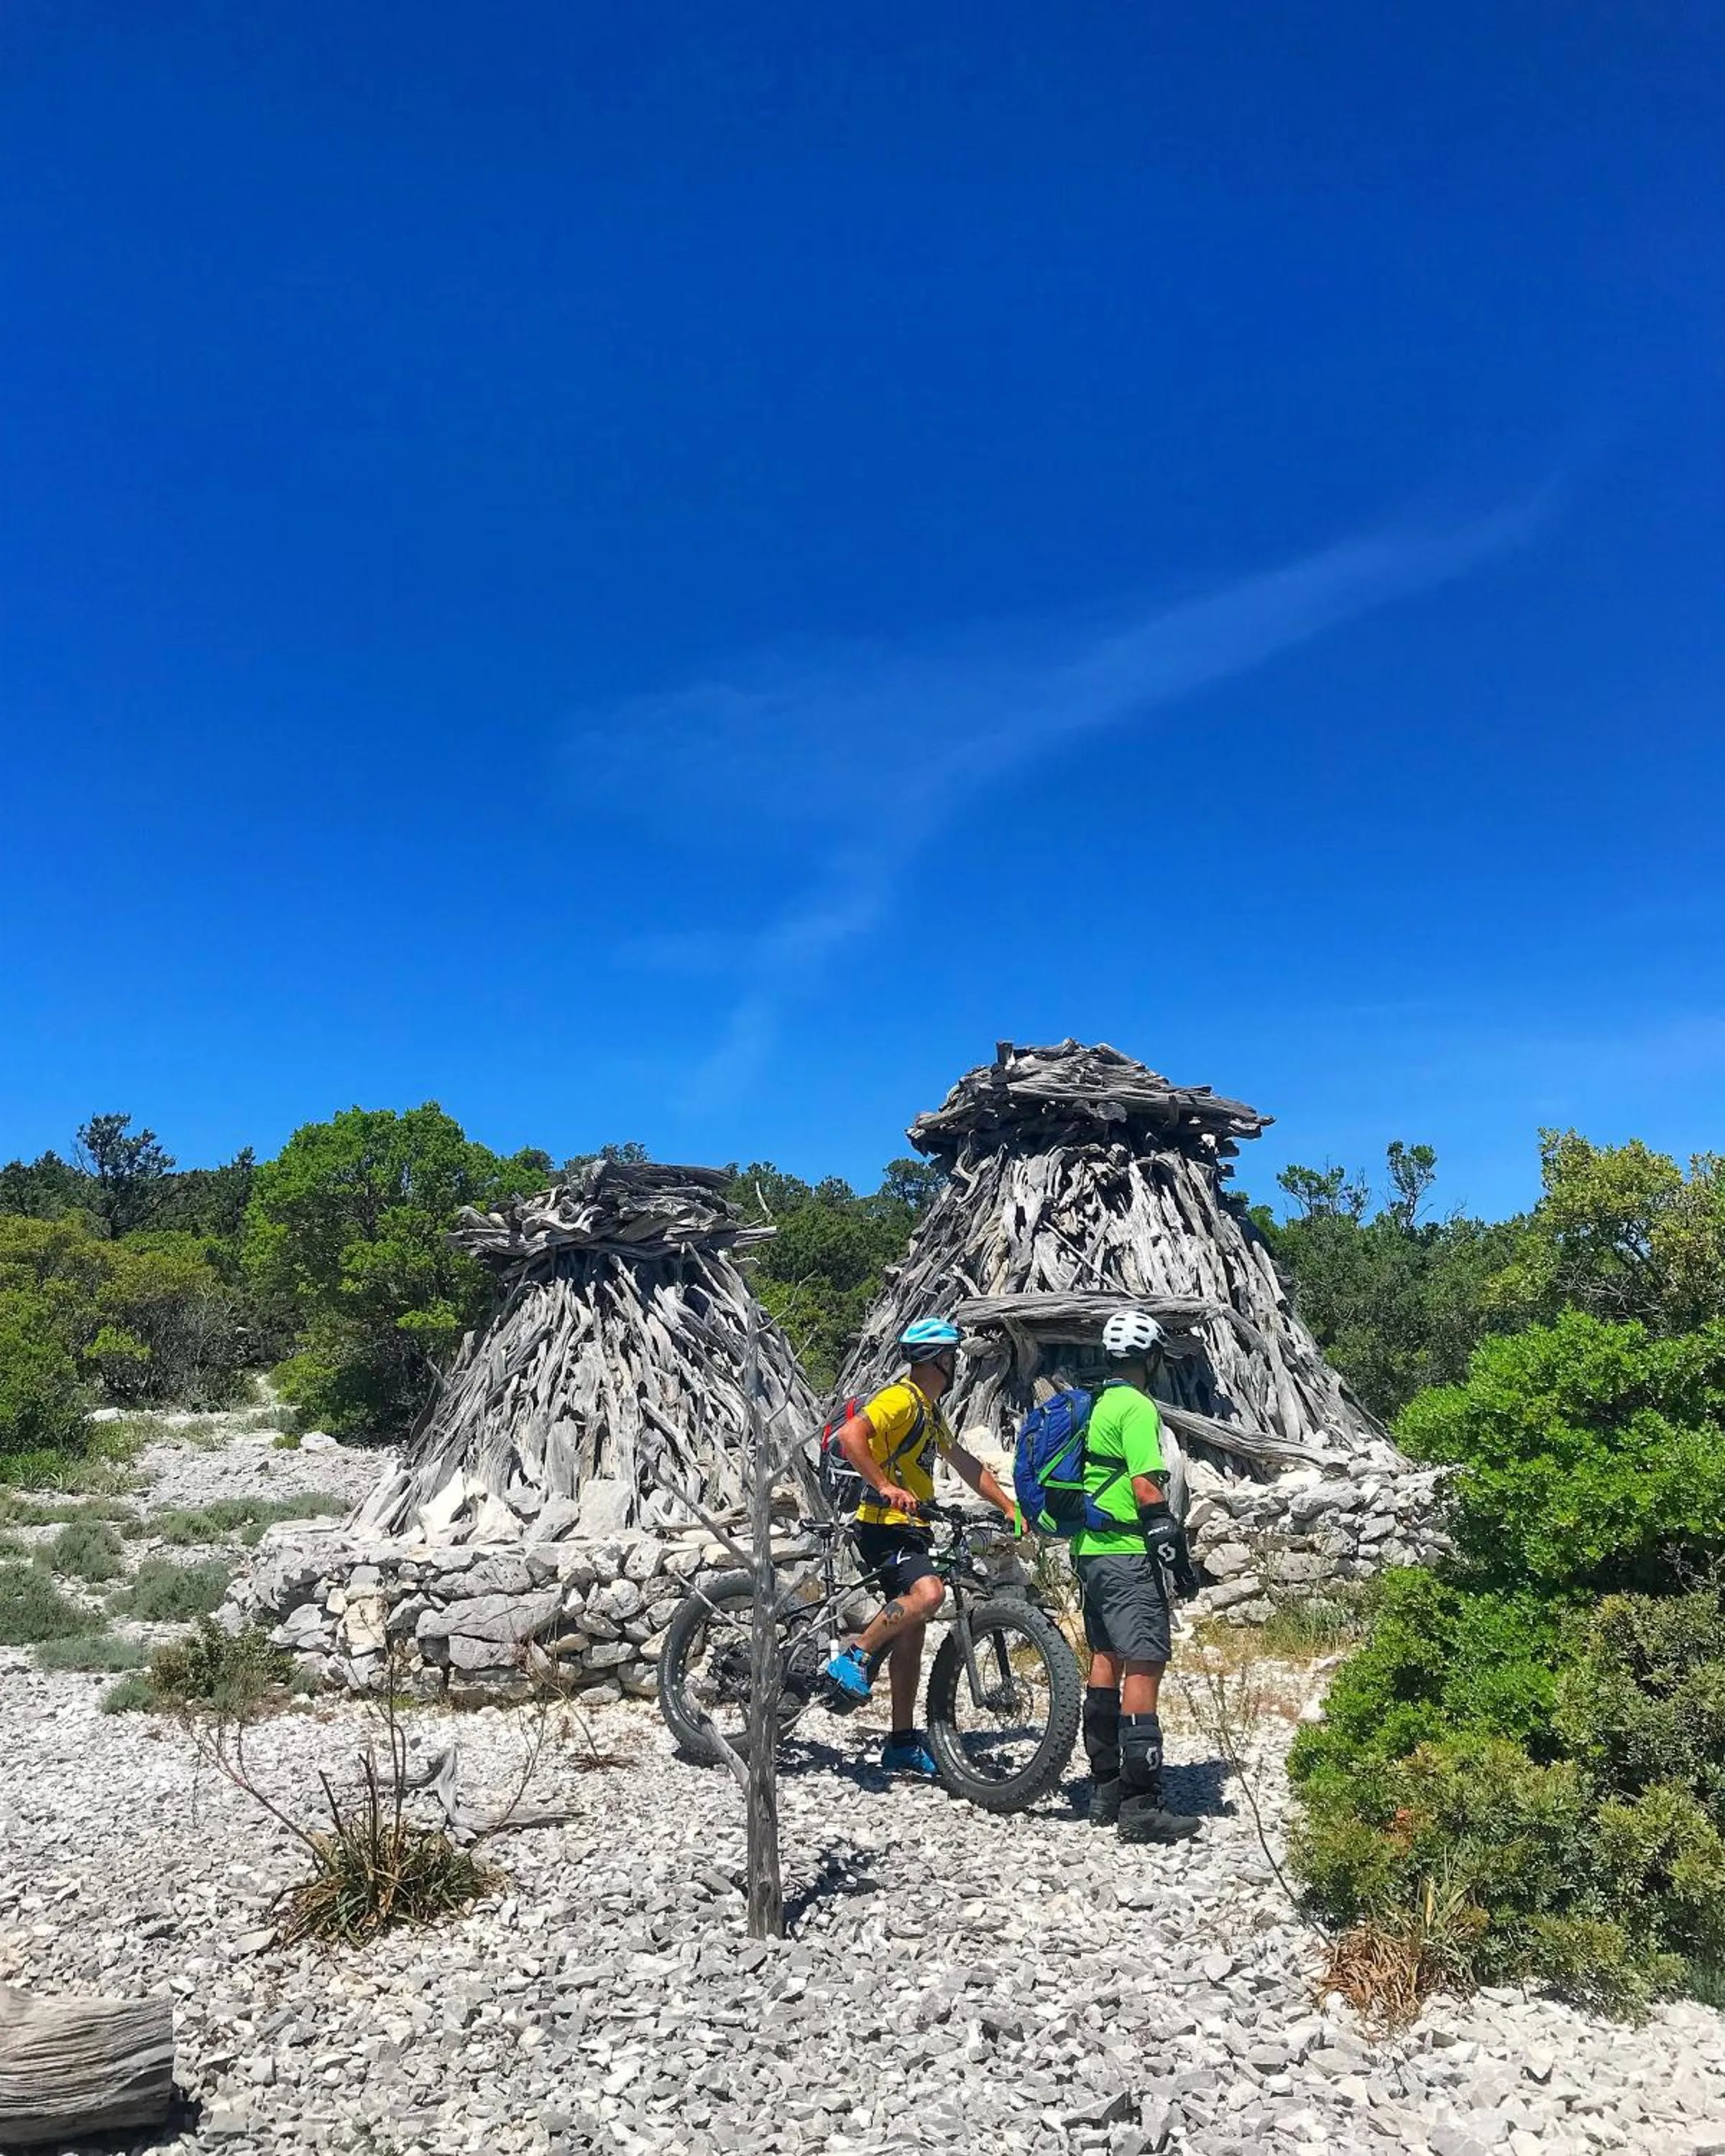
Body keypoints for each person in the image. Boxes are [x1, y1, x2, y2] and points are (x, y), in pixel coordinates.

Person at [823, 1317, 1017, 1777]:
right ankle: (854, 1655)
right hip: (881, 1525)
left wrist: (1009, 1507)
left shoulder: (929, 1412)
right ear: (937, 1360)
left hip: (911, 1527)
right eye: (952, 1357)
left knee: (913, 1627)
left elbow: (965, 1464)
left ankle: (902, 1741)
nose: (956, 1365)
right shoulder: (900, 1399)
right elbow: (849, 1438)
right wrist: (886, 1485)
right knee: (930, 1595)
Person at [1075, 1308, 1201, 1843]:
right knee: (1145, 1665)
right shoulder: (1136, 1407)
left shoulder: (1096, 1403)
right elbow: (1148, 1491)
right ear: (1150, 1359)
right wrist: (1176, 1558)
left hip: (1090, 1549)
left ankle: (1103, 1789)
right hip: (1127, 1552)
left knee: (1107, 1658)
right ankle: (1141, 1803)